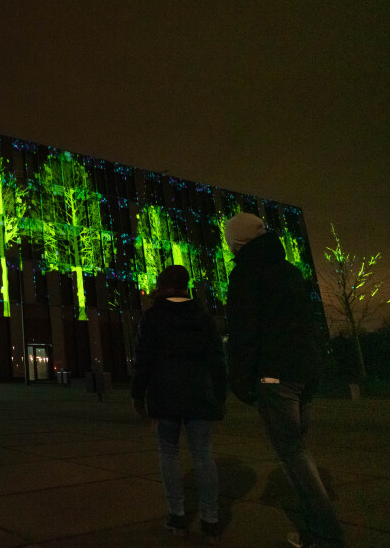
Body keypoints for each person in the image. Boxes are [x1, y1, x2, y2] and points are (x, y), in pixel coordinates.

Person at [224, 212, 345, 548]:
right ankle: (316, 528)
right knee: (299, 449)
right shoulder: (290, 271)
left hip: (274, 374)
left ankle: (327, 534)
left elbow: (243, 333)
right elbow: (306, 322)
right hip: (305, 370)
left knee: (293, 454)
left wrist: (241, 381)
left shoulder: (246, 275)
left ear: (237, 241)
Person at [131, 264, 226, 542]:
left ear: (162, 284)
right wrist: (219, 398)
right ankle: (211, 519)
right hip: (200, 394)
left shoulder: (152, 317)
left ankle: (176, 514)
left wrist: (138, 395)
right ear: (187, 286)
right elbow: (217, 362)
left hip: (165, 393)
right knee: (203, 454)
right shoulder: (203, 317)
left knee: (169, 452)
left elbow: (143, 360)